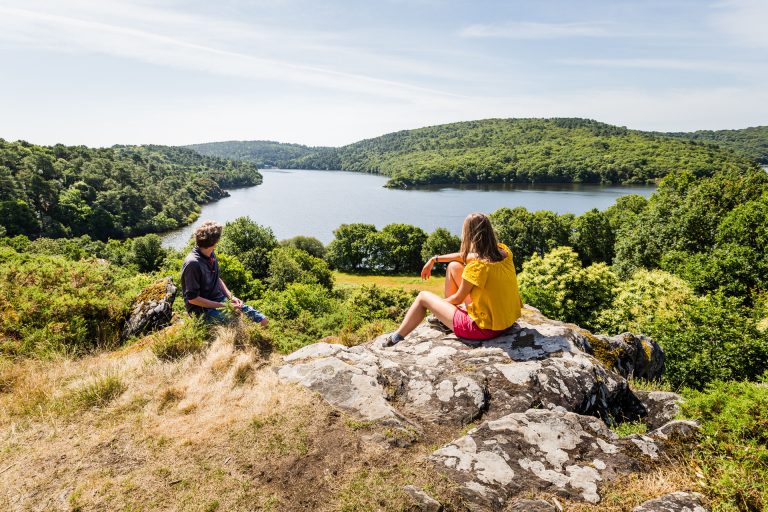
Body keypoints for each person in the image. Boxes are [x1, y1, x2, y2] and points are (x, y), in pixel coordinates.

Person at [384, 212, 521, 346]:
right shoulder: (505, 253)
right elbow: (464, 256)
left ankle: (396, 338)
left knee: (423, 297)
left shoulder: (477, 268)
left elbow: (457, 299)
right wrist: (434, 259)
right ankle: (446, 322)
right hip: (505, 323)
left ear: (469, 235)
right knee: (454, 266)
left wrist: (437, 305)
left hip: (482, 329)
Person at [180, 220, 268, 325]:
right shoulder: (193, 263)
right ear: (214, 243)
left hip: (219, 301)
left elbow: (216, 279)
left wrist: (231, 297)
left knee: (263, 321)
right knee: (242, 324)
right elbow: (193, 299)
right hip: (201, 310)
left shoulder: (211, 254)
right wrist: (225, 306)